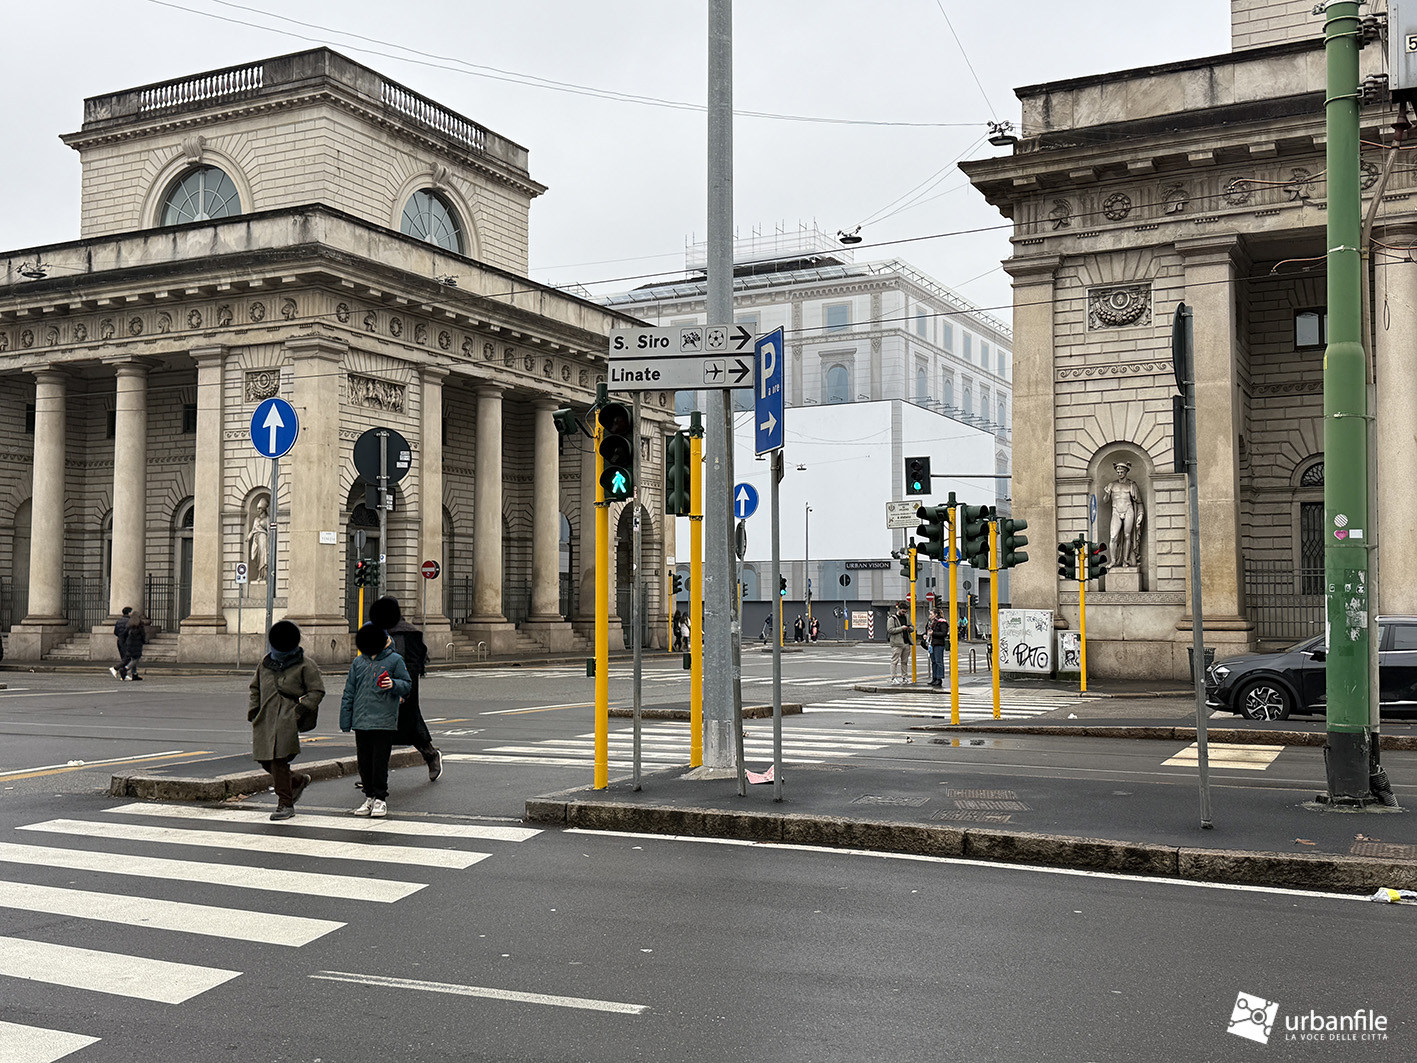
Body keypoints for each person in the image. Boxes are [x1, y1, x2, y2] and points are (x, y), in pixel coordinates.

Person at [247, 620, 326, 821]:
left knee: (278, 759)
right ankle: (297, 780)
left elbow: (317, 691)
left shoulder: (306, 664)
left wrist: (299, 710)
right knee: (265, 759)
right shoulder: (265, 663)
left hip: (287, 718)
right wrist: (254, 711)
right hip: (264, 718)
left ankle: (285, 804)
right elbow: (255, 688)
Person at [340, 622, 412, 818]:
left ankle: (380, 798)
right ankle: (369, 796)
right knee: (364, 762)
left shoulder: (395, 660)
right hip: (361, 720)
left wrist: (393, 684)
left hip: (383, 721)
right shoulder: (358, 662)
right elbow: (349, 691)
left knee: (379, 761)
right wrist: (346, 719)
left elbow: (407, 684)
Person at [369, 596, 442, 781]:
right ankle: (373, 775)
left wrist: (401, 687)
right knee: (377, 731)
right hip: (378, 688)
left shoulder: (408, 633)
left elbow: (414, 663)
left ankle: (431, 755)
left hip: (402, 687)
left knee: (410, 725)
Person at [117, 610, 148, 681]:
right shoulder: (139, 624)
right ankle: (125, 669)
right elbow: (143, 634)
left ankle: (134, 673)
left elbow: (124, 634)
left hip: (129, 643)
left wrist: (124, 642)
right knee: (136, 659)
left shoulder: (129, 624)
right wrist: (144, 641)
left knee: (132, 658)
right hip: (137, 644)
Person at [886, 601, 911, 685]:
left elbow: (911, 626)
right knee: (895, 661)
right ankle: (893, 678)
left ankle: (904, 677)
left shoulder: (906, 617)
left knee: (905, 661)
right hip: (897, 643)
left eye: (905, 611)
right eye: (903, 611)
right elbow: (890, 630)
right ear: (899, 609)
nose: (904, 613)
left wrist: (909, 628)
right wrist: (901, 628)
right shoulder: (892, 619)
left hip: (906, 642)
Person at [928, 605, 949, 688]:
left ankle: (939, 678)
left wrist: (933, 633)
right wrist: (925, 635)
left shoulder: (942, 622)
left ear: (936, 614)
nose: (930, 616)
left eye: (931, 614)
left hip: (939, 644)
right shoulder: (931, 623)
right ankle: (934, 677)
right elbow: (928, 631)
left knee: (938, 661)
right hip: (932, 643)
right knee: (933, 661)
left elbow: (944, 633)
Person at [109, 606, 132, 680]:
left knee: (124, 658)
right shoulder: (130, 621)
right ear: (129, 613)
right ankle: (115, 668)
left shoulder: (119, 621)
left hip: (120, 640)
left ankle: (123, 675)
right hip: (127, 641)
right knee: (128, 658)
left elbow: (115, 632)